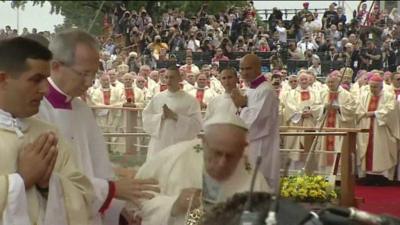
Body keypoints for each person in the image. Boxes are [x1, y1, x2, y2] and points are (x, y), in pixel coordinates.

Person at [37, 29, 159, 225]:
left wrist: (117, 207)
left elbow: (100, 170)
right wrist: (112, 190)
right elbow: (46, 180)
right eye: (84, 73)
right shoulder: (35, 109)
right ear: (56, 66)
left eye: (94, 73)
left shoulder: (81, 109)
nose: (89, 82)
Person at [0, 37, 94, 224]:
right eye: (36, 80)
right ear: (3, 80)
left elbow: (84, 197)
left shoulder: (49, 135)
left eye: (46, 79)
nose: (45, 89)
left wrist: (49, 184)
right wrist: (21, 180)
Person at [130, 112, 271, 225]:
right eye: (217, 153)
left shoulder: (252, 177)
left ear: (243, 149)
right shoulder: (174, 158)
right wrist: (174, 204)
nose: (222, 163)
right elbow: (137, 200)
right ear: (203, 142)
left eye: (231, 156)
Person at [230, 54, 280, 193]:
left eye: (248, 68)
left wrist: (241, 106)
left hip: (260, 144)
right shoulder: (252, 89)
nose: (244, 72)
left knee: (259, 182)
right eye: (242, 69)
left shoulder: (265, 90)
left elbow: (256, 121)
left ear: (258, 68)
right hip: (250, 143)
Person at [142, 66, 202, 159]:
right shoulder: (158, 98)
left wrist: (175, 116)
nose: (168, 80)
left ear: (179, 78)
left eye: (172, 77)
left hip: (180, 143)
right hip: (160, 142)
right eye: (166, 77)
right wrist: (161, 117)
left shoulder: (190, 100)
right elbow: (146, 117)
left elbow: (197, 124)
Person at [356, 74, 400, 184]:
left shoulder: (388, 96)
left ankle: (382, 177)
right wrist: (364, 114)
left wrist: (374, 113)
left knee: (381, 151)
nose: (372, 89)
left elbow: (391, 111)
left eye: (375, 87)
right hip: (366, 126)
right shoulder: (364, 95)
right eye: (371, 86)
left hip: (381, 129)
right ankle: (366, 176)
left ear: (381, 86)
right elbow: (358, 108)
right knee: (366, 149)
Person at [317, 72, 356, 171]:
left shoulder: (346, 95)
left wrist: (339, 108)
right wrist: (323, 108)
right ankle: (324, 173)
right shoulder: (322, 93)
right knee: (323, 151)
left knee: (339, 149)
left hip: (339, 127)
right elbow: (314, 107)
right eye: (329, 82)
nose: (330, 84)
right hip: (325, 127)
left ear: (338, 82)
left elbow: (352, 109)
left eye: (332, 82)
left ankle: (339, 174)